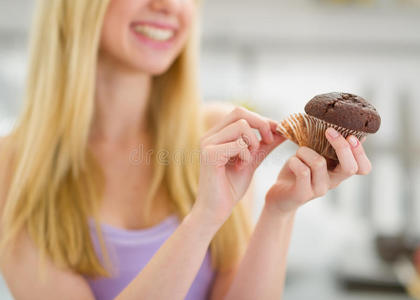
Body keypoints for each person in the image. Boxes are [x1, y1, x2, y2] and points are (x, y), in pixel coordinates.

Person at [0, 0, 372, 299]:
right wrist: (202, 221)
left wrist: (279, 211)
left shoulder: (219, 133)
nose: (170, 5)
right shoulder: (12, 166)